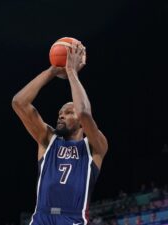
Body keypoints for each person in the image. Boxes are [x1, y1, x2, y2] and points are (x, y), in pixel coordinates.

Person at [12, 40, 108, 225]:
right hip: (41, 217)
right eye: (60, 113)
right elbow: (19, 103)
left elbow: (84, 112)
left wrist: (71, 72)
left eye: (68, 112)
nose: (61, 116)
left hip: (73, 218)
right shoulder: (48, 139)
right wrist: (53, 70)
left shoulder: (94, 146)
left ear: (80, 123)